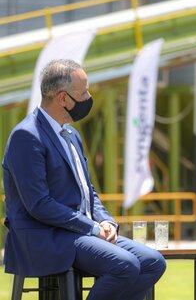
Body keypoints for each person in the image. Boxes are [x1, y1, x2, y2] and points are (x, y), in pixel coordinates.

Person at [2, 59, 166, 300]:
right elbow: (39, 205)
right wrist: (92, 227)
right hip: (45, 237)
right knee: (125, 265)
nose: (89, 97)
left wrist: (106, 221)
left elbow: (87, 191)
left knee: (153, 262)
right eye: (84, 92)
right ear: (63, 98)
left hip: (79, 233)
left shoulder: (70, 134)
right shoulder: (26, 136)